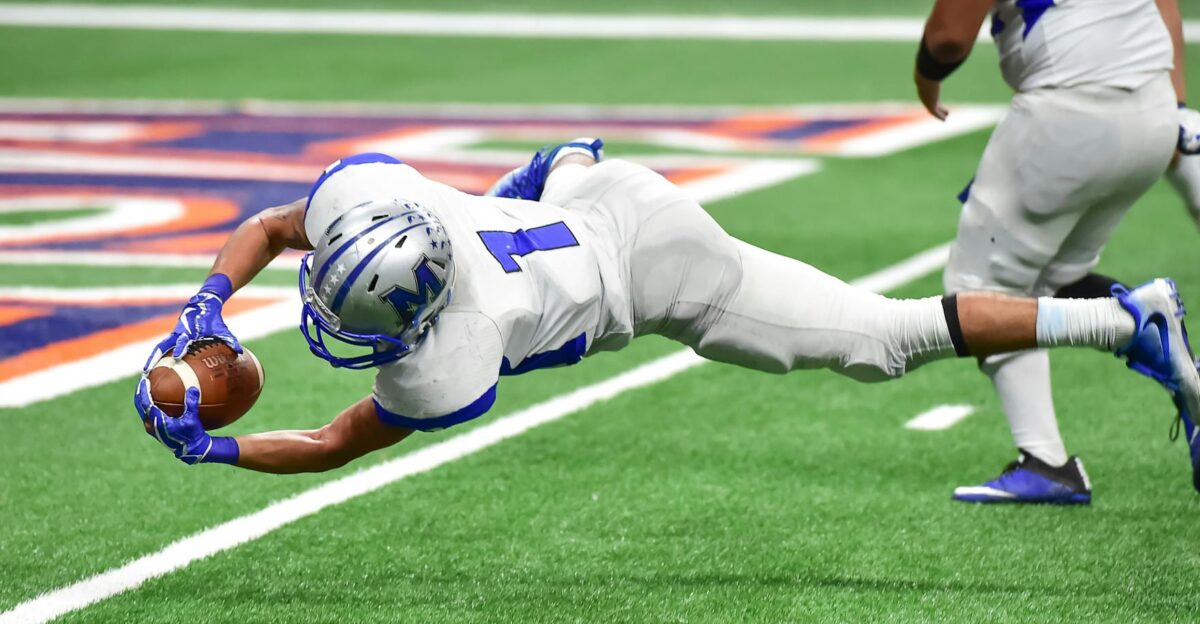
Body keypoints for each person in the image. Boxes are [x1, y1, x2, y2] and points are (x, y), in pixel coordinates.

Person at [134, 141, 1199, 482]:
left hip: (654, 273)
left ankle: (1126, 320)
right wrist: (206, 303)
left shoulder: (446, 358)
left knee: (883, 341)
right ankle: (1125, 323)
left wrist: (217, 455)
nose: (318, 302)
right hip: (594, 192)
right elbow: (276, 232)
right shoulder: (379, 208)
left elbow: (331, 437)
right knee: (533, 188)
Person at [912, 0, 1200, 503]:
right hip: (1152, 107)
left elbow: (948, 38)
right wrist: (1174, 103)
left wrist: (925, 75)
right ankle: (1150, 333)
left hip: (1071, 110)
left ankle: (1048, 460)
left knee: (979, 291)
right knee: (1051, 279)